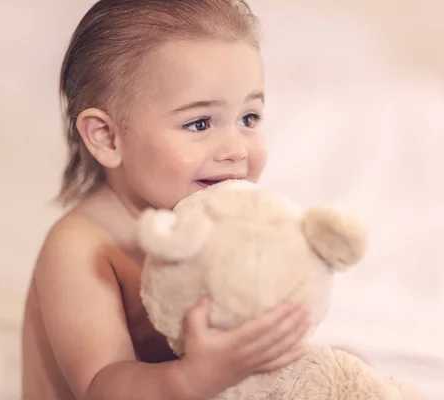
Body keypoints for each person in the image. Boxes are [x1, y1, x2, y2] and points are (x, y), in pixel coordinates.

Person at [21, 1, 311, 399]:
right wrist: (194, 378)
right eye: (199, 123)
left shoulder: (226, 228)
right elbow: (100, 385)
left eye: (249, 118)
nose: (235, 150)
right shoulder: (83, 245)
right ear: (108, 138)